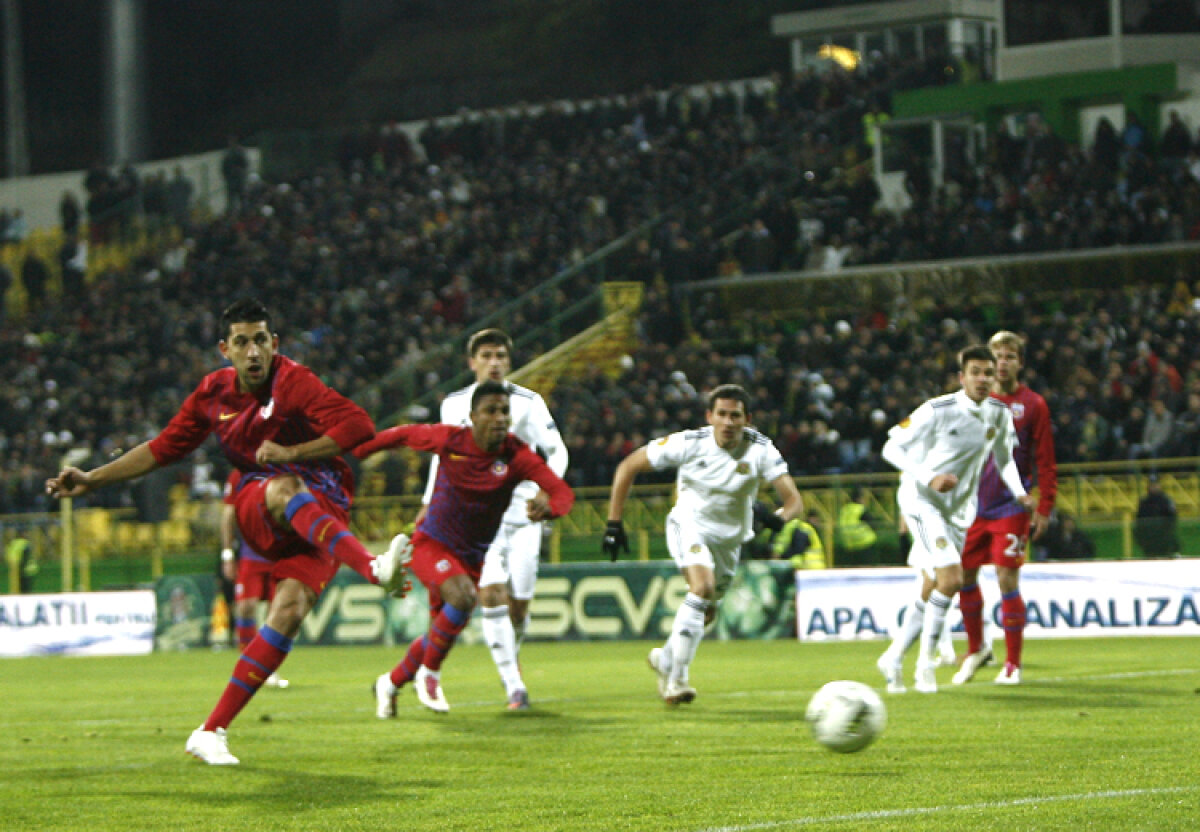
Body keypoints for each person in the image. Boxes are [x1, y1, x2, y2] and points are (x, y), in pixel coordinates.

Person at [44, 297, 412, 765]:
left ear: (274, 343)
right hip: (262, 501)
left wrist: (292, 451)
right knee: (282, 488)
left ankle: (211, 731)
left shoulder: (294, 379)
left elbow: (359, 425)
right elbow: (161, 448)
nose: (253, 351)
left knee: (290, 612)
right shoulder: (211, 395)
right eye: (242, 342)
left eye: (261, 340)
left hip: (321, 514)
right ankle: (373, 566)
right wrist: (93, 478)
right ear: (225, 349)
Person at [358, 381, 575, 716]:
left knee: (439, 631)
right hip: (430, 544)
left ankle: (389, 683)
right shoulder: (451, 440)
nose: (500, 418)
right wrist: (357, 450)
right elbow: (402, 435)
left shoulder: (516, 456)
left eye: (504, 411)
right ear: (472, 416)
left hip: (471, 557)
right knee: (463, 599)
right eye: (491, 411)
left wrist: (550, 506)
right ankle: (429, 676)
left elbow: (562, 493)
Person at [603, 384, 804, 704]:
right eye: (721, 414)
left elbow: (794, 502)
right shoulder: (688, 443)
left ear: (747, 419)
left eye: (735, 415)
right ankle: (677, 681)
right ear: (709, 416)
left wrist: (777, 519)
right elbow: (628, 466)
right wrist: (614, 523)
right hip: (689, 523)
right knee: (702, 587)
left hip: (730, 540)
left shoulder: (762, 449)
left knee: (706, 613)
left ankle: (665, 659)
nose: (728, 422)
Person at [419, 329, 568, 709]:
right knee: (491, 595)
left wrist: (545, 489)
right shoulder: (453, 405)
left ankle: (510, 665)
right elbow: (441, 458)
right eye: (486, 355)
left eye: (501, 355)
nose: (495, 362)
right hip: (476, 519)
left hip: (523, 515)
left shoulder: (528, 403)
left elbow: (557, 450)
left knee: (518, 606)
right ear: (472, 362)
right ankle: (514, 685)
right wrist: (427, 502)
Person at [875, 345, 1034, 694]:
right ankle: (925, 667)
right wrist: (928, 475)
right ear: (961, 378)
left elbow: (1005, 459)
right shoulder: (937, 409)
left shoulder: (998, 413)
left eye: (987, 373)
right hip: (924, 500)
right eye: (974, 372)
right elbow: (891, 446)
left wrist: (1019, 491)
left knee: (935, 585)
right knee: (951, 578)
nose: (981, 379)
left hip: (960, 511)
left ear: (995, 378)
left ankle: (894, 657)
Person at [953, 331, 1057, 687]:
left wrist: (1044, 506)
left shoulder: (1033, 405)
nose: (1002, 362)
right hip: (970, 506)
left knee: (1005, 578)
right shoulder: (972, 400)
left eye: (1010, 355)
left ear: (1020, 362)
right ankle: (977, 649)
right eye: (997, 354)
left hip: (1011, 505)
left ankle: (1013, 663)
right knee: (964, 577)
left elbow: (1046, 460)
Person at [220, 470, 287, 687]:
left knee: (276, 614)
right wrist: (228, 554)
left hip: (278, 553)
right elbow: (228, 515)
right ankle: (246, 663)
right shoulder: (239, 474)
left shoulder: (285, 469)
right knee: (246, 607)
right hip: (251, 555)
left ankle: (266, 669)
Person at [1134, 475, 1180, 557]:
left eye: (1155, 484)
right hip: (1150, 542)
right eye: (1152, 485)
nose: (1154, 487)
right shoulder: (1144, 503)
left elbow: (1172, 518)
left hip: (1164, 541)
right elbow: (1139, 521)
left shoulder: (1166, 501)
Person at [836, 487, 878, 565]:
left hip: (849, 545)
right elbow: (873, 524)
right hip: (865, 544)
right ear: (860, 498)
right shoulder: (860, 509)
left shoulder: (844, 510)